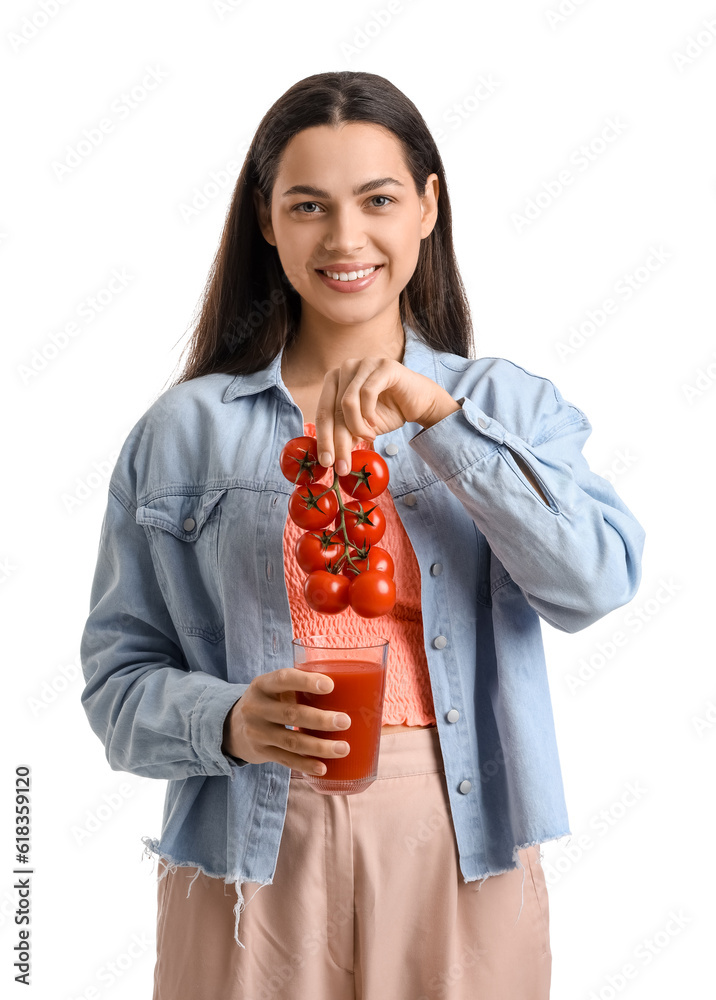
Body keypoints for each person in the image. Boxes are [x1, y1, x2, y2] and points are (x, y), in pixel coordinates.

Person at [79, 70, 645, 999]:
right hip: (251, 843)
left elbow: (596, 581)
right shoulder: (185, 430)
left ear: (428, 206)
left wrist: (445, 422)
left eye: (377, 200)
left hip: (460, 836)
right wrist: (227, 719)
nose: (345, 239)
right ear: (267, 222)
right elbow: (116, 685)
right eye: (308, 206)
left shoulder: (503, 405)